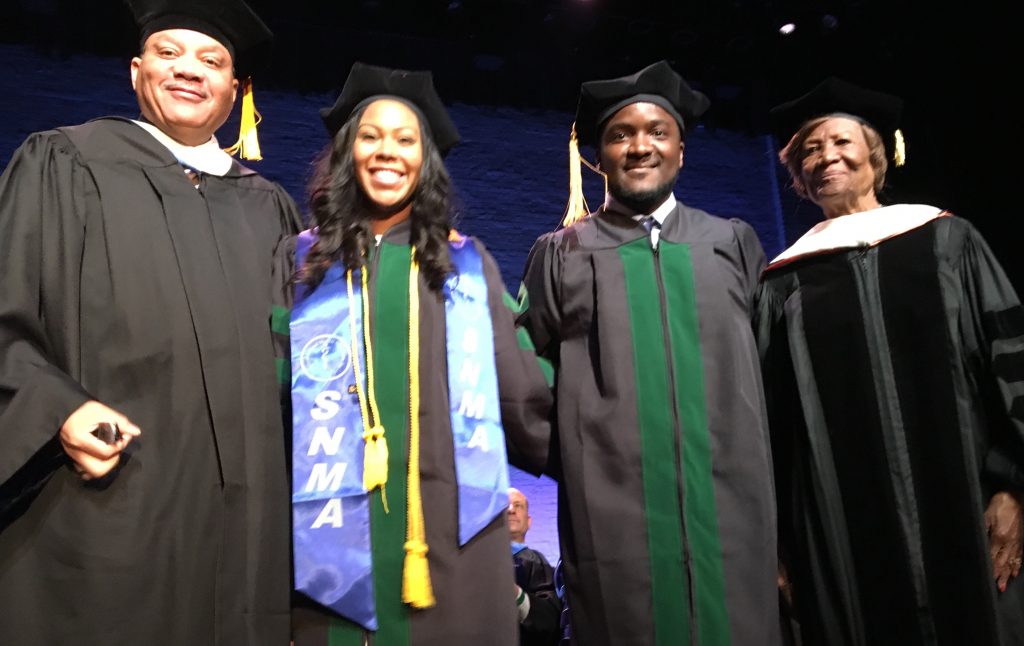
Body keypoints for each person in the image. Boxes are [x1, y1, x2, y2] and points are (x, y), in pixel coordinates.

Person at [0, 0, 301, 644]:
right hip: (108, 499)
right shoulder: (64, 164)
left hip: (245, 534)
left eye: (211, 60)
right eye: (169, 53)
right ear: (136, 71)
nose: (189, 70)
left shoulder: (270, 209)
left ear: (236, 92)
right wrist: (57, 407)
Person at [280, 62, 553, 646]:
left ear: (424, 160)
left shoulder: (466, 265)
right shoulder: (301, 263)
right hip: (330, 525)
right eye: (370, 136)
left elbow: (521, 383)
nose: (387, 152)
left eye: (405, 140)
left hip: (451, 527)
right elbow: (268, 380)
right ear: (346, 152)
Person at [518, 60, 780, 646]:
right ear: (597, 156)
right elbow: (523, 376)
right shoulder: (560, 254)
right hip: (613, 521)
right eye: (621, 135)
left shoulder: (730, 243)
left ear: (681, 150)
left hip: (733, 512)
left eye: (657, 132)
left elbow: (773, 371)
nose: (640, 146)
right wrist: (587, 456)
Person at [758, 77, 1024, 646]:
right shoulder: (783, 282)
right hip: (842, 536)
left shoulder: (949, 241)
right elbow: (773, 424)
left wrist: (1013, 488)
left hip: (970, 511)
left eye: (840, 141)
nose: (826, 156)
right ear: (798, 176)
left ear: (876, 153)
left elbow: (1009, 365)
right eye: (809, 148)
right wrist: (784, 544)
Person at [509, 487, 562, 646]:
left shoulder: (537, 563)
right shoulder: (479, 559)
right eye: (503, 507)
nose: (511, 510)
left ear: (528, 521)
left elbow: (549, 620)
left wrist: (515, 595)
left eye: (518, 505)